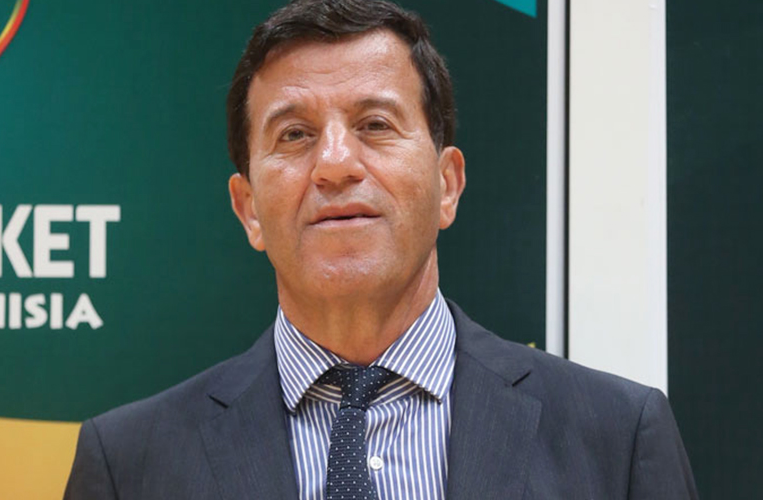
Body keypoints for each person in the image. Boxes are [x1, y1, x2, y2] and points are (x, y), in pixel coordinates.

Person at [64, 0, 698, 498]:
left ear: (448, 185)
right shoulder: (129, 464)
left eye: (374, 124)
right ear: (248, 208)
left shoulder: (618, 439)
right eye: (295, 134)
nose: (336, 164)